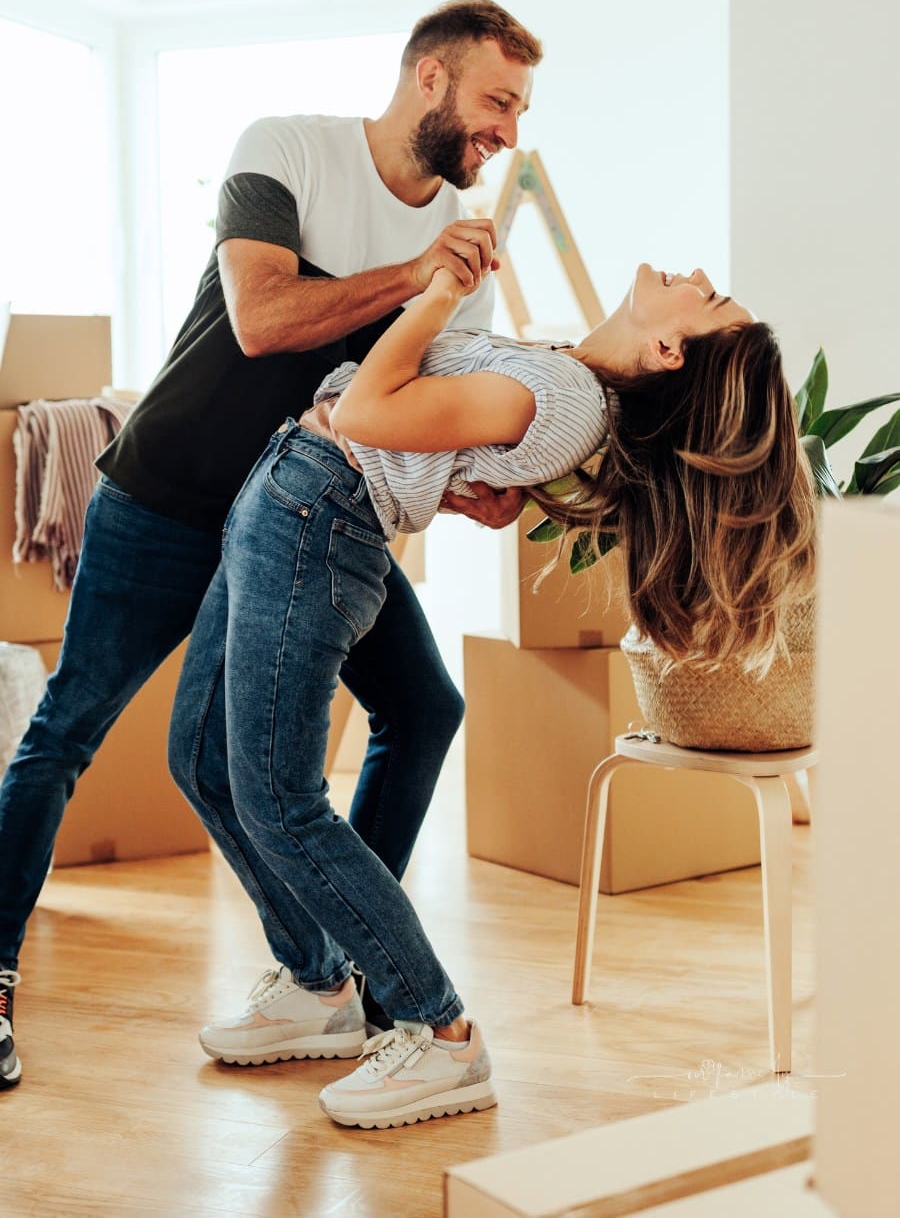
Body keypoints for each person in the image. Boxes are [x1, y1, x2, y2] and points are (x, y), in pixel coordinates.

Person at [0, 0, 543, 1092]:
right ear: (429, 79)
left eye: (520, 111)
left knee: (425, 708)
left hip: (304, 521)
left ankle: (339, 967)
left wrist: (473, 486)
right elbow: (260, 318)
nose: (508, 135)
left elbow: (399, 415)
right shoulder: (286, 148)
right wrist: (420, 276)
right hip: (172, 497)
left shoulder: (466, 261)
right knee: (63, 734)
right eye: (496, 101)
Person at [172, 259, 816, 1130]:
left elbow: (365, 412)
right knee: (202, 759)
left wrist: (436, 296)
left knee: (276, 797)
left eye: (705, 297)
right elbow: (446, 433)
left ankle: (441, 1032)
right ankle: (317, 983)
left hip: (314, 515)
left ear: (668, 347)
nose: (695, 272)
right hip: (288, 492)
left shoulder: (559, 399)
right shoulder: (568, 383)